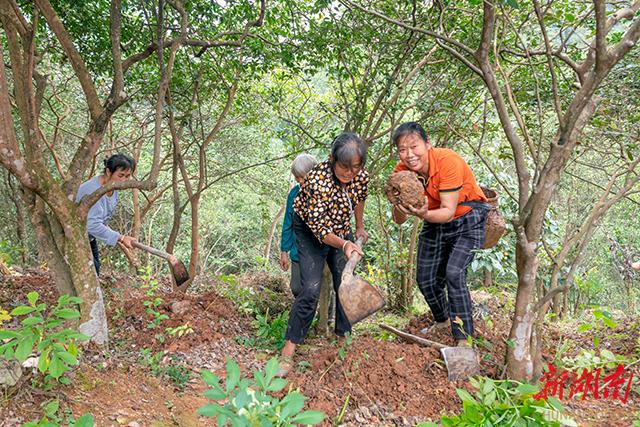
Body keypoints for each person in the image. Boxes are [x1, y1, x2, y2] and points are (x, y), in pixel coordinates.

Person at [277, 133, 369, 377]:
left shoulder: (360, 175)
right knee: (310, 289)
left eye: (355, 168)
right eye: (344, 167)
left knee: (345, 284)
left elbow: (359, 198)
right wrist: (345, 244)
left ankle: (343, 343)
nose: (349, 173)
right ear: (331, 159)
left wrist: (358, 228)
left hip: (340, 229)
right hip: (310, 232)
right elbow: (321, 231)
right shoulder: (316, 181)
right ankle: (288, 352)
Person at [389, 122, 487, 347]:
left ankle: (464, 338)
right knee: (425, 279)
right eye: (403, 150)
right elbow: (399, 219)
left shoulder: (447, 162)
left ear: (428, 144)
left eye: (414, 147)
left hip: (467, 219)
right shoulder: (401, 172)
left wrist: (422, 214)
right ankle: (442, 320)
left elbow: (448, 211)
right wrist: (398, 203)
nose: (409, 155)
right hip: (434, 220)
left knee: (454, 274)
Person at [75, 154, 137, 276]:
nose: (124, 180)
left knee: (95, 272)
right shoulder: (92, 190)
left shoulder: (113, 189)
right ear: (108, 172)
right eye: (121, 175)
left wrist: (119, 236)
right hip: (74, 236)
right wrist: (121, 237)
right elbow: (92, 225)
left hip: (88, 237)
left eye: (127, 176)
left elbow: (100, 220)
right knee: (88, 276)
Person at [279, 154, 319, 297]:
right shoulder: (294, 194)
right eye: (297, 178)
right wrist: (284, 250)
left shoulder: (323, 193)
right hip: (298, 251)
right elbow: (287, 223)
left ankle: (326, 317)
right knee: (296, 287)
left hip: (318, 251)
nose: (300, 181)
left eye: (303, 177)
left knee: (319, 288)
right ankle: (305, 314)